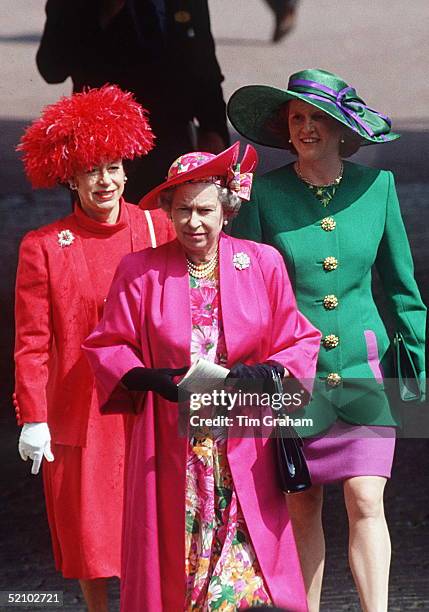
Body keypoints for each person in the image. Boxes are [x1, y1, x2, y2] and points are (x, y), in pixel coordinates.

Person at [82, 141, 322, 611]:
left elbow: (299, 340)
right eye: (184, 210)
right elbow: (107, 346)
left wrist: (262, 374)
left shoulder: (261, 262)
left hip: (245, 443)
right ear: (168, 212)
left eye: (206, 210)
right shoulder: (139, 271)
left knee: (242, 574)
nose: (194, 222)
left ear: (227, 210)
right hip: (170, 445)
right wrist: (151, 378)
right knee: (178, 564)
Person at [227, 68, 426, 612]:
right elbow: (244, 290)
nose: (307, 128)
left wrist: (418, 364)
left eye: (318, 118)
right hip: (293, 372)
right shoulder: (262, 195)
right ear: (285, 130)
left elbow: (403, 288)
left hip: (363, 366)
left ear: (343, 129)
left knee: (366, 496)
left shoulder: (377, 188)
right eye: (297, 119)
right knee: (303, 503)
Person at [14, 85, 174, 612]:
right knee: (91, 537)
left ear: (127, 168)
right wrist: (32, 417)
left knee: (156, 525)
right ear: (71, 179)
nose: (104, 181)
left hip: (151, 403)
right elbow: (33, 343)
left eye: (112, 167)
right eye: (91, 171)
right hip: (82, 410)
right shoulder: (43, 246)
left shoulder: (160, 227)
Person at [36, 0, 230, 201]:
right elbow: (51, 70)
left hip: (169, 137)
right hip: (103, 145)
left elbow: (203, 64)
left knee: (167, 225)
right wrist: (104, 13)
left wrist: (212, 128)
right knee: (104, 227)